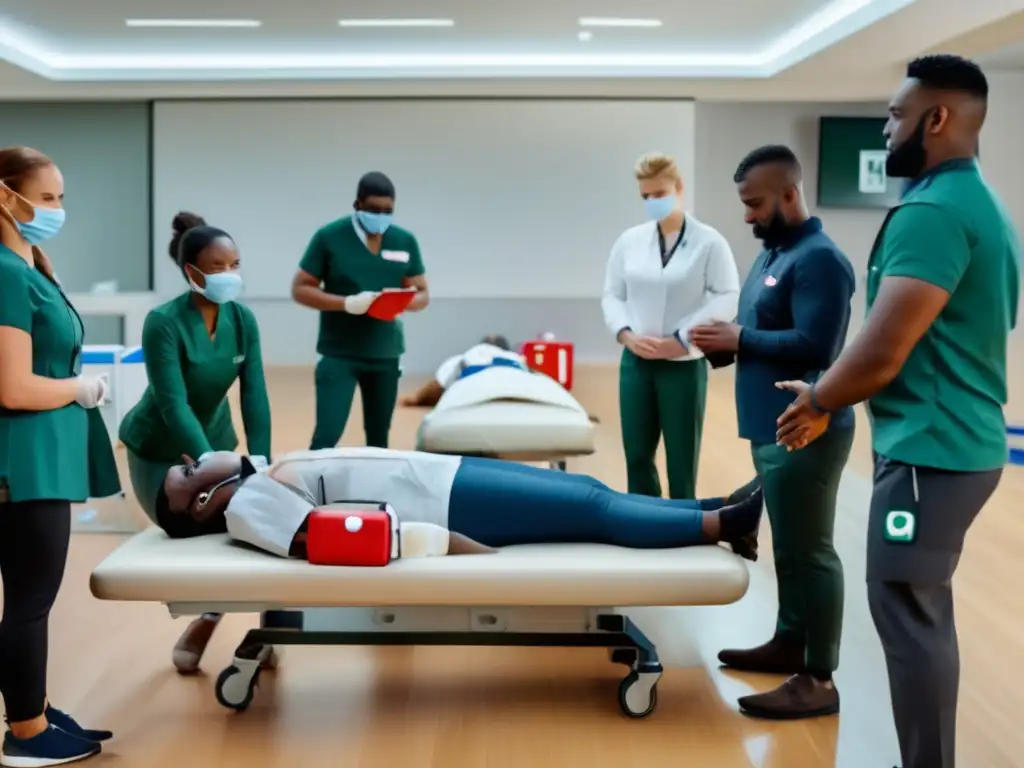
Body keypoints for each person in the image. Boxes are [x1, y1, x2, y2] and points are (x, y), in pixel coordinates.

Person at [775, 55, 1018, 768]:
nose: (884, 127)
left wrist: (818, 400)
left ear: (936, 119)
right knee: (919, 611)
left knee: (909, 616)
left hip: (930, 455)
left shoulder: (933, 213)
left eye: (894, 113)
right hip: (951, 446)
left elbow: (884, 349)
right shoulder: (983, 205)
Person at [690, 145, 856, 720]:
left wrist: (739, 339)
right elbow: (763, 334)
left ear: (790, 192)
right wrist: (725, 341)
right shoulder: (770, 257)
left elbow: (819, 347)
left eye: (755, 203)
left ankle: (819, 677)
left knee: (811, 552)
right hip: (770, 430)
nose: (747, 216)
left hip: (806, 429)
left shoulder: (820, 259)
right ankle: (791, 641)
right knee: (787, 547)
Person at [0, 147, 120, 766]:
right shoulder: (5, 273)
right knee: (28, 600)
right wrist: (77, 388)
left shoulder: (29, 265)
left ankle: (35, 711)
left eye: (60, 199)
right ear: (6, 197)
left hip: (41, 459)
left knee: (32, 597)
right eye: (47, 199)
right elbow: (13, 387)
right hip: (21, 465)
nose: (57, 210)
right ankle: (25, 733)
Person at [119, 212, 272, 676]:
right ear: (192, 272)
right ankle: (203, 617)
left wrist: (259, 458)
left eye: (236, 264)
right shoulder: (163, 322)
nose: (231, 275)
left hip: (217, 438)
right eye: (219, 267)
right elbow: (172, 401)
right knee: (193, 538)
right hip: (160, 446)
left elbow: (255, 393)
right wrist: (207, 461)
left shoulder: (243, 319)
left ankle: (241, 623)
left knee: (247, 530)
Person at [151, 449, 766, 564]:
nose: (193, 456)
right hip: (448, 502)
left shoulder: (258, 476)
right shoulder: (246, 508)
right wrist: (440, 542)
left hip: (445, 475)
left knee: (593, 495)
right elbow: (334, 540)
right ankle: (720, 525)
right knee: (591, 507)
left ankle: (711, 508)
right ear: (203, 503)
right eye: (186, 473)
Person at [602, 152, 740, 500]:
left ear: (678, 188)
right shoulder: (629, 241)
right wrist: (627, 335)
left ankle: (684, 531)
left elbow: (727, 295)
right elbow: (612, 295)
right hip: (636, 361)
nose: (652, 202)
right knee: (636, 455)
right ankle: (643, 521)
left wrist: (683, 339)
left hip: (683, 365)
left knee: (682, 459)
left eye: (659, 194)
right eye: (645, 197)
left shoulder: (709, 242)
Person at [292, 171, 430, 450]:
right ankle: (312, 489)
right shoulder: (330, 237)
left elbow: (422, 292)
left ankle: (376, 491)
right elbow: (301, 288)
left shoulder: (404, 241)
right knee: (327, 434)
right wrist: (345, 303)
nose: (380, 216)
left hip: (385, 354)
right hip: (339, 353)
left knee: (379, 439)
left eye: (387, 211)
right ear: (357, 205)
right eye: (373, 210)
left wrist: (402, 302)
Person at [399, 334, 524, 408]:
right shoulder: (518, 359)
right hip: (509, 391)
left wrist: (416, 399)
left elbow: (436, 386)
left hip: (469, 391)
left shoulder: (461, 358)